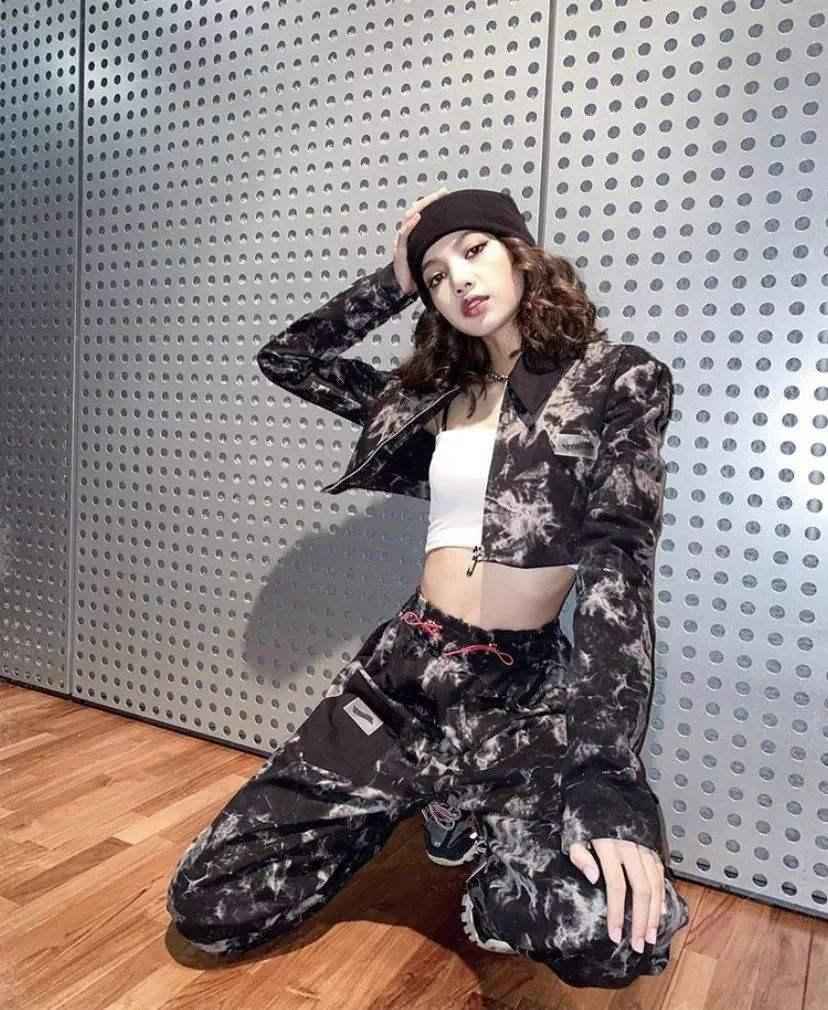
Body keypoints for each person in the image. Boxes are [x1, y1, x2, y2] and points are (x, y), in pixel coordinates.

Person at [166, 187, 690, 988]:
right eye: (438, 274)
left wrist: (607, 780)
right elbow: (289, 359)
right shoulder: (428, 396)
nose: (460, 281)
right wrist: (393, 279)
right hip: (403, 675)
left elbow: (619, 571)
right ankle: (413, 798)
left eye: (473, 251)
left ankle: (476, 824)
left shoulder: (617, 379)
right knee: (206, 902)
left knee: (612, 934)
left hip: (517, 695)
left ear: (520, 254)